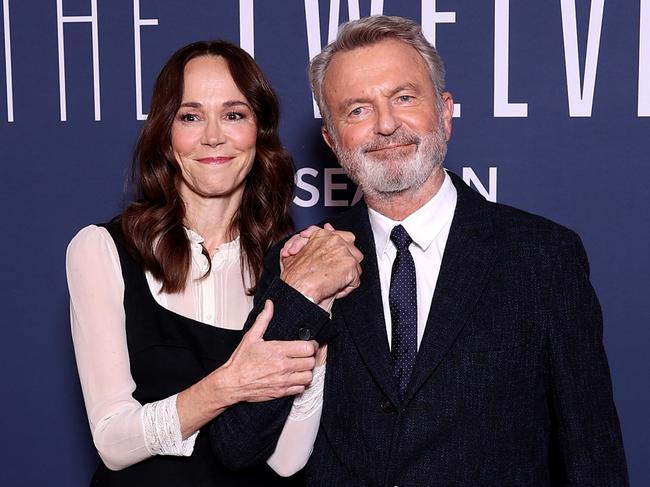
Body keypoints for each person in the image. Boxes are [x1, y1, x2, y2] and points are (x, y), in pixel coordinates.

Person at [211, 16, 630, 486]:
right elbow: (237, 445)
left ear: (446, 113)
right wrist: (300, 297)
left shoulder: (542, 257)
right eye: (357, 110)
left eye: (404, 98)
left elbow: (592, 456)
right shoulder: (297, 259)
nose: (386, 125)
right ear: (331, 140)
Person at [65, 40, 361, 486]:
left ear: (258, 132)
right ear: (165, 135)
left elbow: (286, 461)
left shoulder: (289, 265)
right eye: (190, 116)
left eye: (234, 114)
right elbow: (113, 441)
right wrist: (230, 383)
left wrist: (315, 328)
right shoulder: (102, 249)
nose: (213, 136)